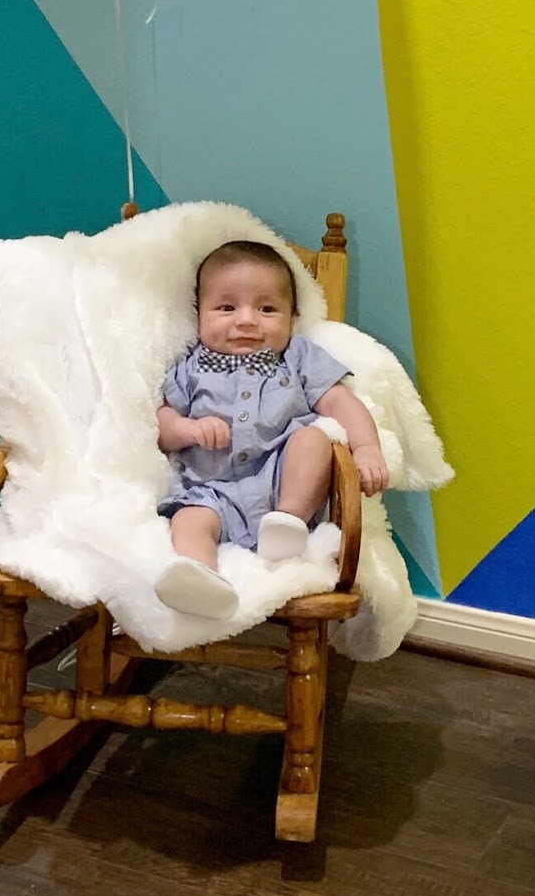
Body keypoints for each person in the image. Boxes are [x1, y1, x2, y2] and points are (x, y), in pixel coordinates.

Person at [154, 240, 388, 618]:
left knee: (313, 437)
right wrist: (188, 429)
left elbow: (339, 403)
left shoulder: (297, 357)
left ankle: (288, 524)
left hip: (282, 481)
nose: (247, 320)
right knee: (189, 521)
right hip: (213, 491)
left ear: (292, 318)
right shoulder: (190, 367)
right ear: (199, 315)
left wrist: (366, 448)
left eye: (266, 309)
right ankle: (198, 576)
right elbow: (162, 425)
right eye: (227, 308)